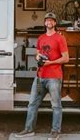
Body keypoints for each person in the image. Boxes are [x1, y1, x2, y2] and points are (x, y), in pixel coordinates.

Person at [15, 12, 69, 140]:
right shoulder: (41, 38)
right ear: (44, 23)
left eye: (51, 20)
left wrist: (51, 62)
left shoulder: (60, 38)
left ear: (55, 23)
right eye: (47, 20)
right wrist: (38, 56)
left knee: (56, 105)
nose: (49, 22)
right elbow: (37, 54)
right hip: (40, 76)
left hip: (54, 77)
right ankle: (29, 129)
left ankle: (55, 131)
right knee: (32, 103)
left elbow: (66, 58)